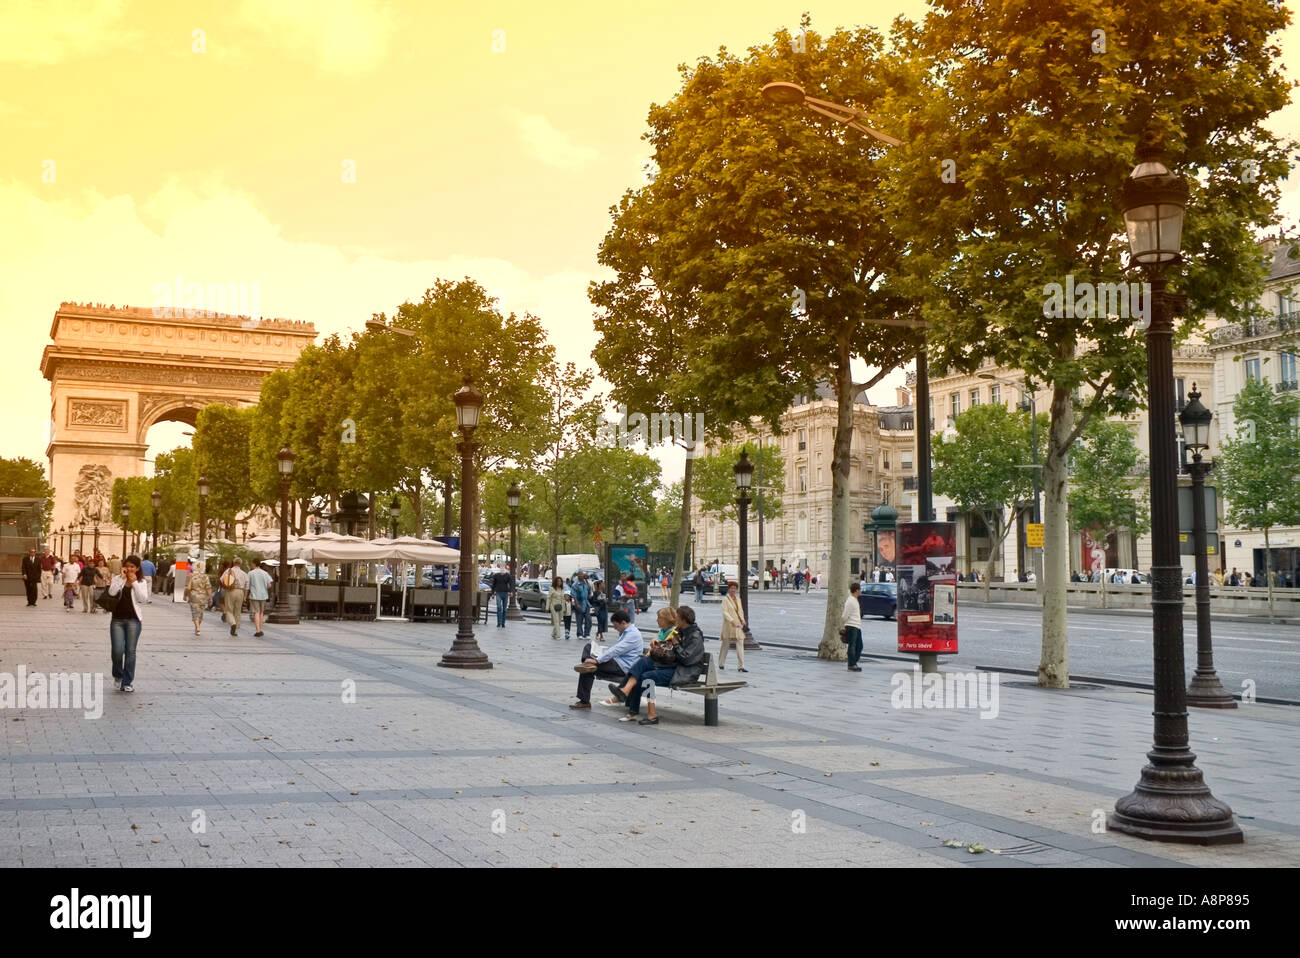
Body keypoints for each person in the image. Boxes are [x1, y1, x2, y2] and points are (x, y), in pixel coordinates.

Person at [613, 606, 706, 725]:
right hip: (674, 666)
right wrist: (659, 646)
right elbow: (671, 652)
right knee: (643, 663)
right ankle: (630, 703)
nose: (675, 619)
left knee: (647, 677)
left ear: (683, 619)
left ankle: (650, 715)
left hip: (685, 672)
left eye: (677, 617)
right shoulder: (680, 631)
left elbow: (686, 660)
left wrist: (676, 644)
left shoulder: (695, 636)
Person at [570, 606, 645, 710]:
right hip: (617, 662)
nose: (614, 628)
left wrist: (597, 660)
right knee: (589, 647)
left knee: (588, 669)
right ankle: (587, 664)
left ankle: (584, 700)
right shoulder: (627, 632)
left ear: (623, 622)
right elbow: (615, 650)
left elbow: (616, 650)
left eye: (616, 625)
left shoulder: (633, 635)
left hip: (623, 667)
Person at [106, 554, 150, 693]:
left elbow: (143, 599)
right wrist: (122, 579)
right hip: (117, 619)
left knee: (130, 651)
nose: (129, 569)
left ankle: (127, 682)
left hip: (133, 620)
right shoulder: (118, 578)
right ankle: (118, 675)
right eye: (127, 566)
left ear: (137, 568)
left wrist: (134, 583)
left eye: (132, 567)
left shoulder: (141, 582)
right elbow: (112, 593)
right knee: (117, 651)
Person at [719, 580, 748, 672]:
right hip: (729, 625)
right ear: (728, 589)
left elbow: (740, 611)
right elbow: (725, 612)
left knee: (740, 642)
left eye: (735, 588)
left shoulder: (738, 599)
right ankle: (721, 663)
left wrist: (743, 620)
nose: (733, 590)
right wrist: (731, 620)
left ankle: (741, 666)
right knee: (725, 644)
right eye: (732, 588)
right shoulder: (725, 599)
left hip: (738, 625)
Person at [221, 558, 250, 637]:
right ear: (240, 564)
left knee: (229, 610)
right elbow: (247, 586)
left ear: (233, 563)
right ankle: (236, 630)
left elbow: (222, 579)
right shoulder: (244, 573)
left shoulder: (228, 571)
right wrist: (245, 596)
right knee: (237, 611)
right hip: (240, 592)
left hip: (230, 591)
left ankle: (232, 623)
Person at [185, 561, 213, 635]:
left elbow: (187, 588)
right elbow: (208, 587)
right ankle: (198, 627)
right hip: (203, 597)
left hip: (193, 596)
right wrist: (210, 597)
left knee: (195, 612)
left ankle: (197, 628)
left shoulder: (190, 575)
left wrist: (185, 596)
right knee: (200, 613)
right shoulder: (205, 576)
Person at [247, 560, 274, 637]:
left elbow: (247, 584)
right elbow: (269, 585)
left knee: (256, 612)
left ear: (254, 564)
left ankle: (258, 630)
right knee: (261, 612)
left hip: (254, 595)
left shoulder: (250, 573)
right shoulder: (265, 573)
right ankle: (261, 629)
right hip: (263, 595)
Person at [842, 581, 863, 672]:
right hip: (851, 626)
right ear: (856, 590)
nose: (861, 591)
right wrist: (845, 624)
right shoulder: (850, 601)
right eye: (860, 590)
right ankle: (851, 664)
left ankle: (853, 662)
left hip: (856, 626)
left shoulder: (855, 600)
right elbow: (844, 615)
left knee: (859, 646)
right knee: (852, 645)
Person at [571, 572, 592, 640]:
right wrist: (577, 604)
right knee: (579, 620)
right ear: (578, 576)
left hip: (586, 603)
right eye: (580, 575)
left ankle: (587, 633)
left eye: (582, 575)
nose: (581, 576)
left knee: (588, 619)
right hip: (579, 603)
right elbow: (574, 595)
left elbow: (589, 590)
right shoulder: (575, 584)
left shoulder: (586, 583)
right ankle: (580, 634)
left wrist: (589, 595)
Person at [546, 575, 566, 640]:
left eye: (560, 581)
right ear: (555, 582)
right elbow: (548, 598)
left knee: (559, 621)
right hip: (553, 606)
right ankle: (558, 635)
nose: (559, 582)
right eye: (558, 581)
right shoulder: (552, 588)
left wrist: (564, 608)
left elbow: (563, 599)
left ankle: (553, 633)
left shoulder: (561, 589)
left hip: (560, 606)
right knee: (556, 621)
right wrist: (547, 607)